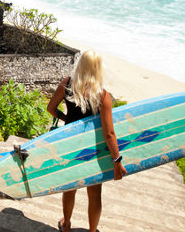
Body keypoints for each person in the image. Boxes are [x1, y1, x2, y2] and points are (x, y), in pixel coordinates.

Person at [46, 50, 128, 232]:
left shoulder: (67, 84)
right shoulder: (102, 96)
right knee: (95, 193)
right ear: (98, 69)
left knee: (70, 188)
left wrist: (66, 120)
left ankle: (66, 225)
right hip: (93, 148)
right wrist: (117, 161)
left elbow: (51, 108)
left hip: (70, 145)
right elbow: (109, 133)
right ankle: (92, 231)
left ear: (80, 64)